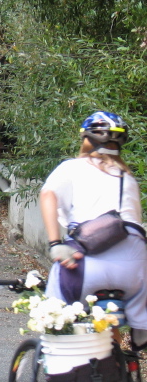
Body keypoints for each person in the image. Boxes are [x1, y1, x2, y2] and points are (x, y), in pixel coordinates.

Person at [41, 111, 147, 349]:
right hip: (135, 268)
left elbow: (48, 195)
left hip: (88, 263)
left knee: (53, 312)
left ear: (86, 139)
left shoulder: (72, 168)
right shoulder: (127, 178)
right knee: (128, 307)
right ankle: (140, 333)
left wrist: (55, 244)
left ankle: (55, 358)